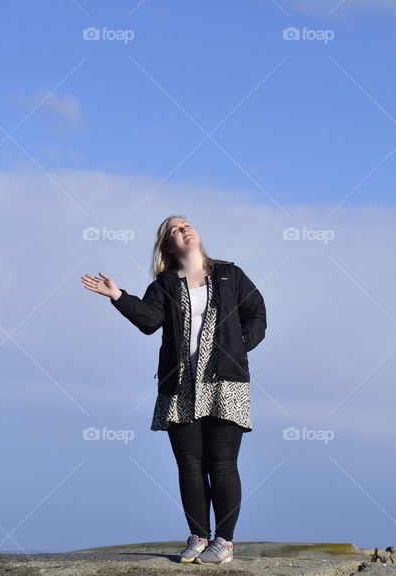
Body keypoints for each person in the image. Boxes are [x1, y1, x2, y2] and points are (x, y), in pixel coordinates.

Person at [81, 215, 267, 565]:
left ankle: (223, 542)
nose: (185, 229)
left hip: (225, 382)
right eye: (175, 230)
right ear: (168, 245)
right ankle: (198, 537)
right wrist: (117, 295)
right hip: (179, 385)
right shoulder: (165, 284)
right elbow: (149, 321)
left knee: (222, 463)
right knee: (189, 465)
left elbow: (256, 314)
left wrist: (239, 346)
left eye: (186, 225)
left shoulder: (230, 275)